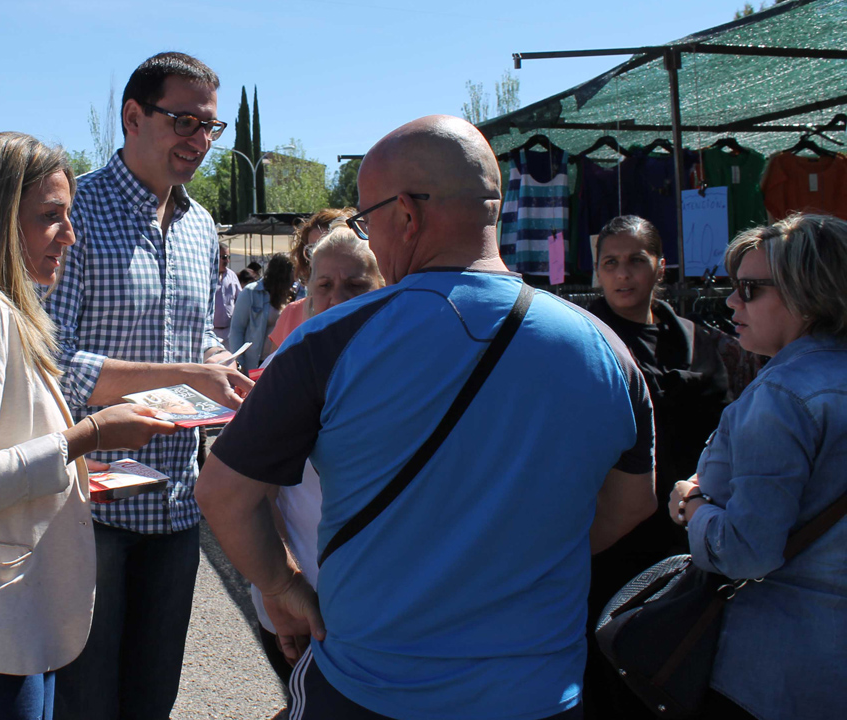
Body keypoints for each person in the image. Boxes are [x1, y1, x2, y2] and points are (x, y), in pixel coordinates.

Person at [197, 115, 657, 720]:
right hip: (539, 692)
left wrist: (283, 587)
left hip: (370, 687)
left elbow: (224, 495)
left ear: (407, 214)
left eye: (367, 221)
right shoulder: (606, 349)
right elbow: (634, 502)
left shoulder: (328, 342)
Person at [0, 132, 177, 720]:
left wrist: (80, 462)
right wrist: (89, 435)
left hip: (2, 623)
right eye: (50, 217)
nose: (69, 235)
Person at [43, 52, 253, 720]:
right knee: (85, 702)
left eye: (210, 126)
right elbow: (49, 362)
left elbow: (198, 340)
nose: (200, 140)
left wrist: (223, 370)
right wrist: (186, 375)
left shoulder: (199, 225)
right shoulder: (71, 214)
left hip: (177, 505)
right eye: (184, 121)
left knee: (152, 699)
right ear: (133, 117)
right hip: (92, 509)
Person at [669, 214, 847, 720]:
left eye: (749, 289)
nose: (731, 302)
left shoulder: (780, 396)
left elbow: (747, 552)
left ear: (807, 293)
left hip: (780, 671)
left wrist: (692, 506)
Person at [582, 215, 739, 719]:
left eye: (635, 261)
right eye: (610, 263)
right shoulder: (583, 340)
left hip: (687, 530)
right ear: (597, 271)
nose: (622, 274)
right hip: (609, 534)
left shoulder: (701, 342)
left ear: (660, 266)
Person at [247, 224, 383, 693]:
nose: (336, 298)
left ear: (384, 290)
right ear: (305, 298)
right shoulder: (282, 376)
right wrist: (281, 585)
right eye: (323, 285)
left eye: (355, 285)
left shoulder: (406, 371)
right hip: (304, 604)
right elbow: (248, 497)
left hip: (387, 609)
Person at [270, 208, 356, 349]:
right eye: (312, 249)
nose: (321, 257)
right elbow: (273, 362)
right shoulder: (292, 314)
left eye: (331, 245)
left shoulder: (370, 306)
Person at [229, 254, 295, 372]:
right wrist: (239, 362)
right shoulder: (251, 292)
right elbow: (237, 329)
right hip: (255, 362)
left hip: (278, 362)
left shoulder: (289, 295)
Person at [213, 239, 242, 338]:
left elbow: (240, 299)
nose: (227, 261)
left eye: (228, 257)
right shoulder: (208, 276)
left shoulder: (232, 275)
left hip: (229, 330)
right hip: (212, 330)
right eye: (224, 257)